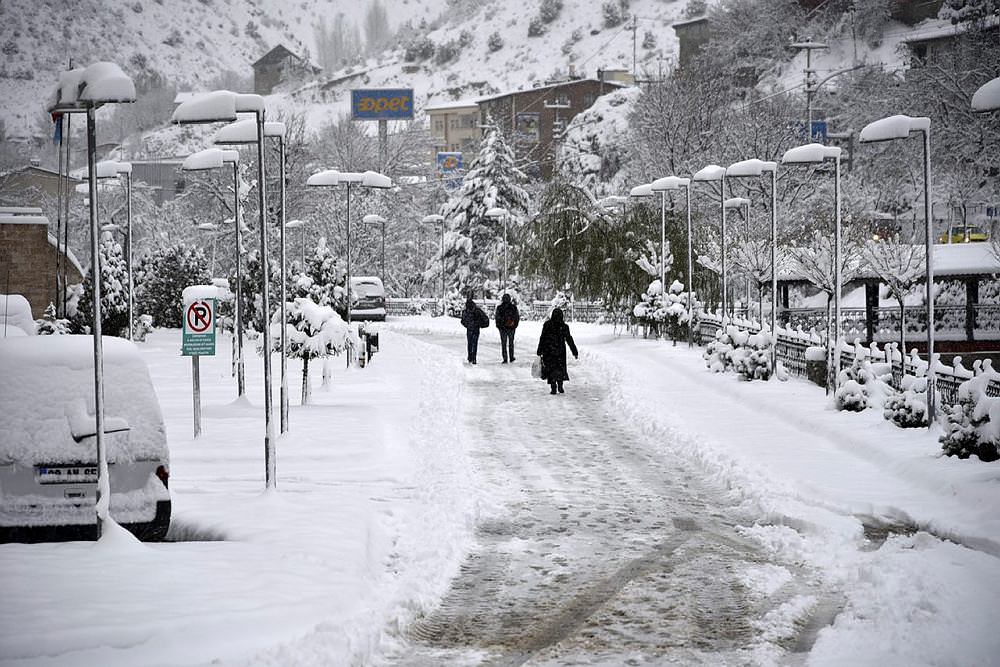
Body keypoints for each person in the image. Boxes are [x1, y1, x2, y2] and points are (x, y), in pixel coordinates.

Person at [536, 307, 578, 394]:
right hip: (560, 350)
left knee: (551, 368)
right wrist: (574, 351)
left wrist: (539, 350)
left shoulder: (547, 325)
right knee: (560, 368)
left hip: (549, 350)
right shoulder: (564, 326)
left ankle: (553, 387)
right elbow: (569, 339)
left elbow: (542, 338)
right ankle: (560, 385)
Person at [459, 297, 489, 364]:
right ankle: (474, 358)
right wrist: (479, 324)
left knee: (470, 343)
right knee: (475, 343)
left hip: (469, 329)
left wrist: (467, 325)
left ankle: (470, 357)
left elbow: (462, 321)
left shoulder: (466, 311)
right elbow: (485, 318)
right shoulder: (477, 310)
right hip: (476, 329)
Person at [494, 293, 520, 364]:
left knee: (504, 343)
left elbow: (497, 318)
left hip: (502, 328)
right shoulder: (513, 307)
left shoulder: (499, 308)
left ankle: (505, 358)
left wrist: (499, 326)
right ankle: (511, 357)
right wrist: (514, 325)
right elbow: (517, 317)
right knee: (511, 343)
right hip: (511, 328)